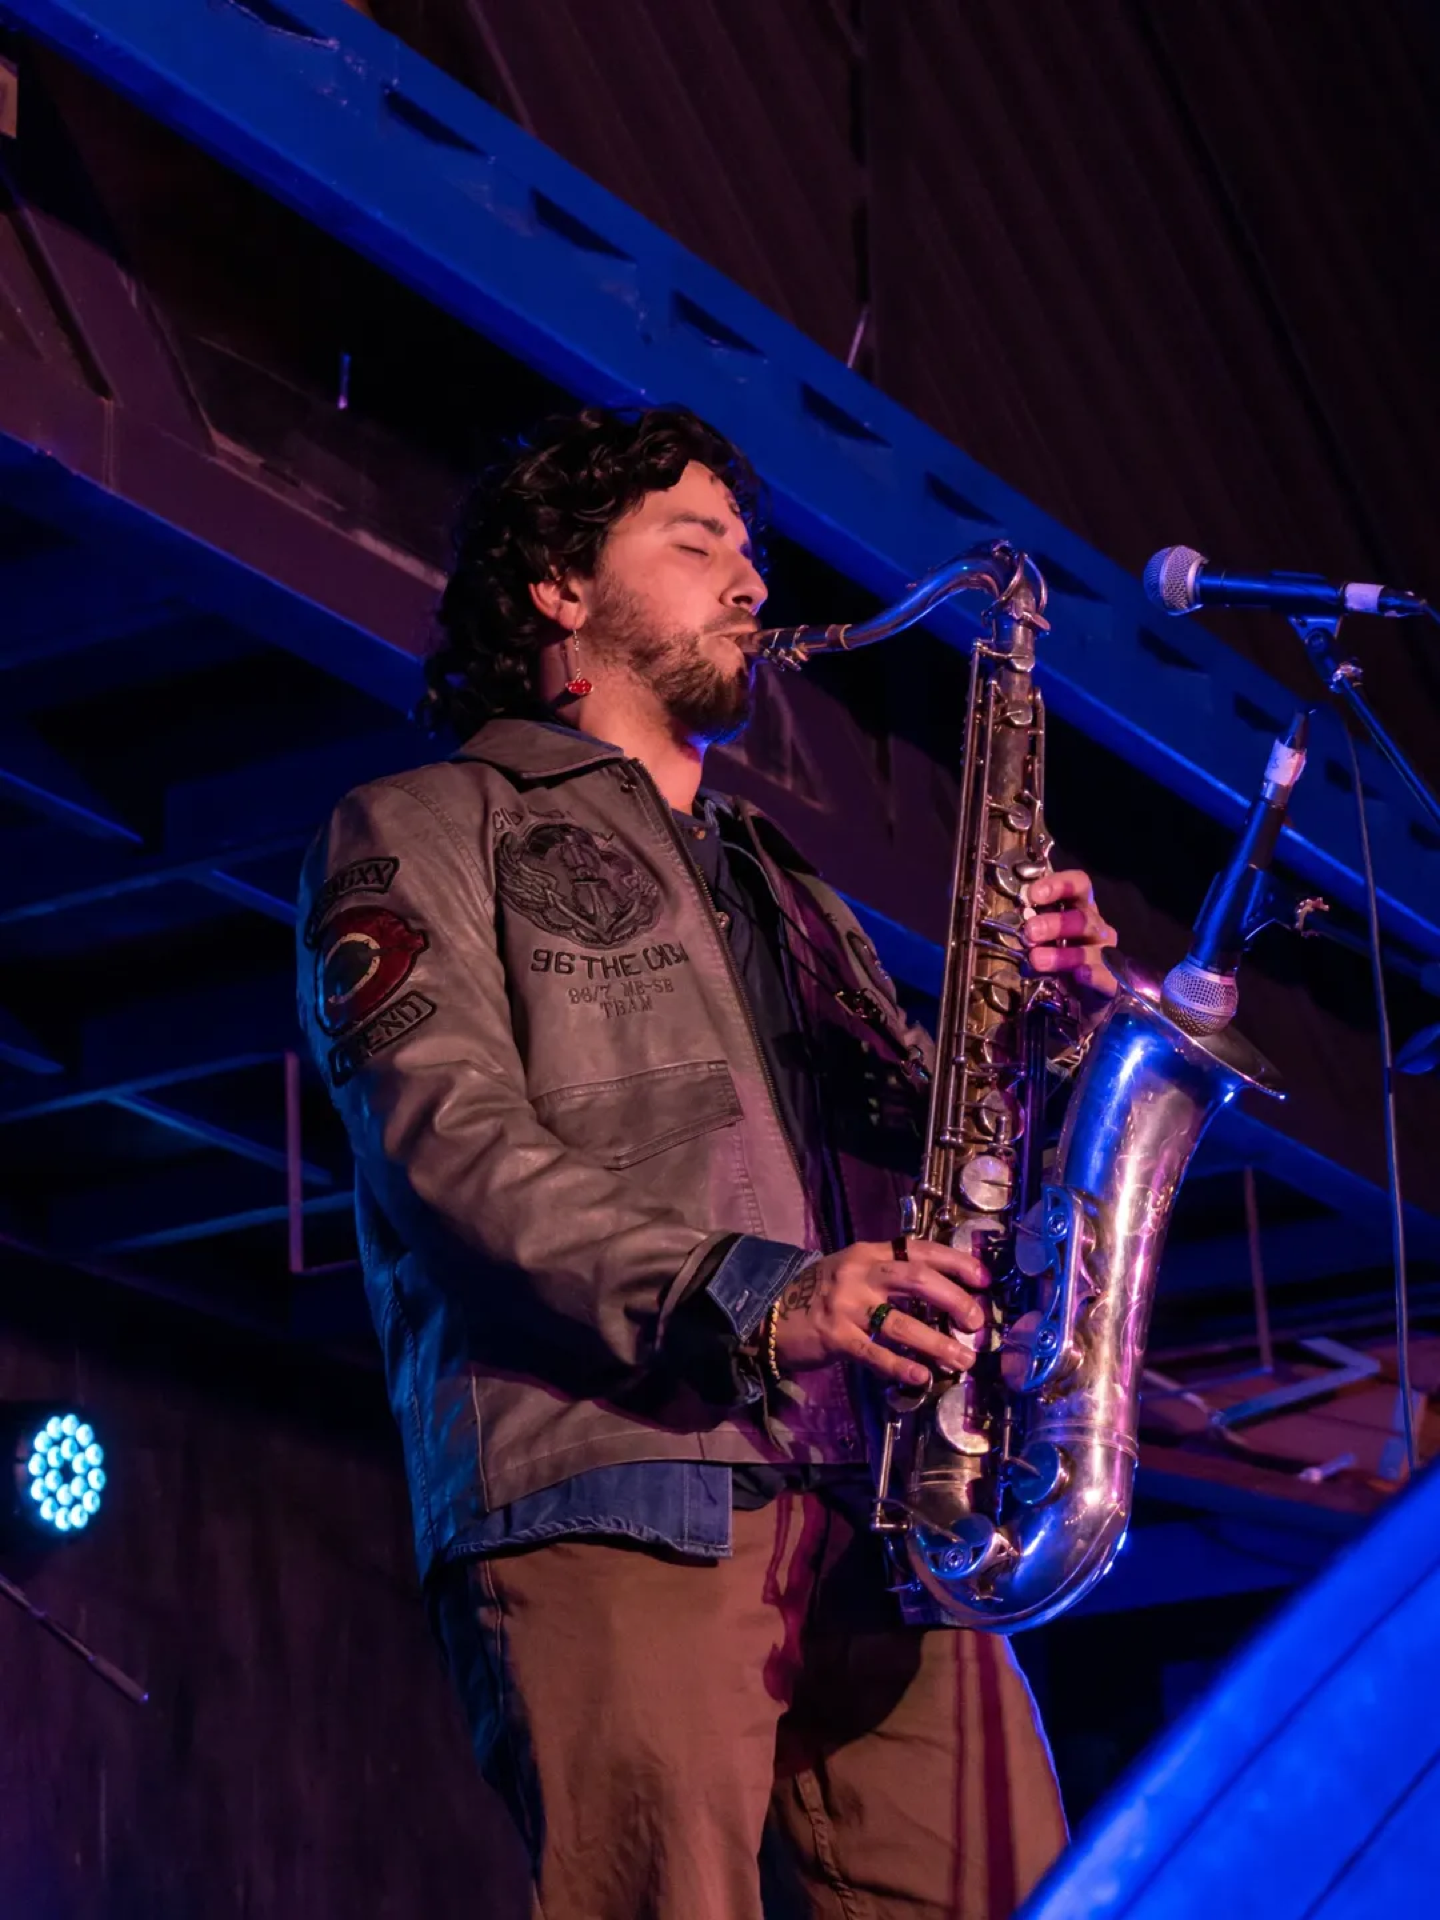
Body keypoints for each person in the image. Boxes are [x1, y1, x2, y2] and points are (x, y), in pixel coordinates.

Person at [296, 405, 1119, 1919]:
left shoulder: (780, 880)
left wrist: (1051, 1033)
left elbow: (941, 1136)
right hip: (619, 1483)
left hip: (886, 1492)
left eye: (751, 552)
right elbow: (447, 1146)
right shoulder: (421, 823)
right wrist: (765, 1296)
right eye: (697, 544)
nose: (751, 581)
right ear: (559, 584)